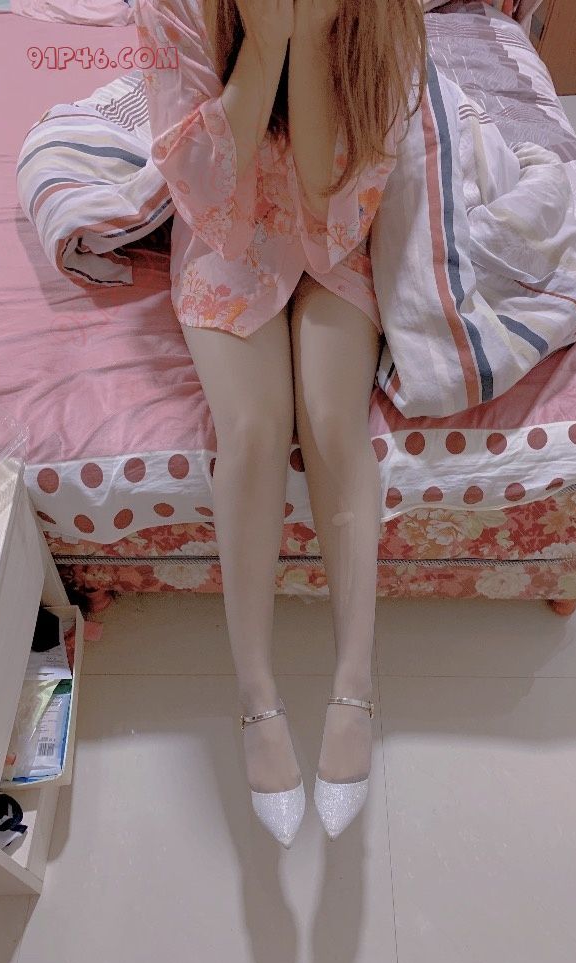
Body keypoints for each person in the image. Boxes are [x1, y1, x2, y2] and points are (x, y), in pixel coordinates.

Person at [133, 0, 427, 846]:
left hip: (336, 218)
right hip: (226, 225)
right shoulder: (174, 8)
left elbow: (335, 200)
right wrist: (264, 45)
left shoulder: (384, 15)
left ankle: (354, 686)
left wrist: (312, 37)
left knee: (334, 418)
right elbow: (203, 192)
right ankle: (256, 696)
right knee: (255, 429)